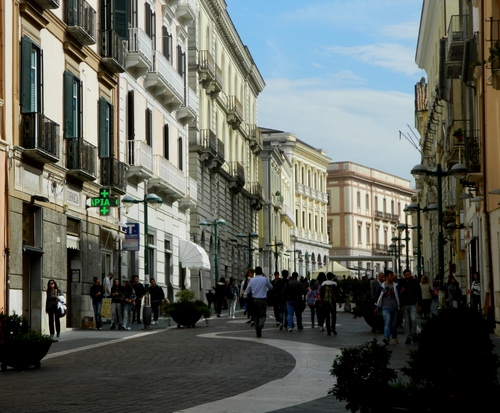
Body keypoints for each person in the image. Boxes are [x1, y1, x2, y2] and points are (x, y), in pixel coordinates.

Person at [244, 266, 273, 338]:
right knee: (263, 315)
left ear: (255, 273)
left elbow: (247, 291)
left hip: (254, 300)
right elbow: (271, 287)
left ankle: (258, 332)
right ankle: (261, 324)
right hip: (262, 299)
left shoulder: (252, 280)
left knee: (256, 316)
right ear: (261, 272)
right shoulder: (264, 279)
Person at [375, 270, 402, 345]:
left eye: (392, 276)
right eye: (390, 276)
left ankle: (394, 336)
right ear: (386, 277)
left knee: (394, 324)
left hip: (395, 307)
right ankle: (386, 337)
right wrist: (376, 307)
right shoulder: (382, 286)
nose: (392, 277)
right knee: (387, 322)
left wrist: (401, 304)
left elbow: (400, 296)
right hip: (385, 307)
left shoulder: (396, 286)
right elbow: (377, 297)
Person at [400, 269, 422, 344]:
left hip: (413, 304)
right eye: (407, 274)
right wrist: (401, 305)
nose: (409, 275)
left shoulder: (415, 282)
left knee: (413, 319)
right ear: (404, 275)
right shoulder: (402, 283)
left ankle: (414, 335)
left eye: (409, 274)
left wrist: (420, 304)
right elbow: (399, 295)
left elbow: (419, 293)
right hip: (405, 304)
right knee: (406, 321)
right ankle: (408, 337)